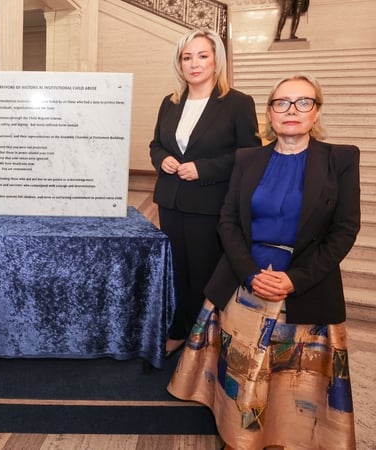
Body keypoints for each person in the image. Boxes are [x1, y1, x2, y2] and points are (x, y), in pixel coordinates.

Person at [168, 74, 359, 449]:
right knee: (240, 371)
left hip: (305, 285)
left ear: (316, 110)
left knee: (291, 380)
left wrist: (295, 280)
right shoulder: (248, 158)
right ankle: (237, 435)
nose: (291, 110)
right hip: (245, 280)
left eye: (303, 102)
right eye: (282, 103)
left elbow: (345, 229)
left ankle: (285, 436)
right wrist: (251, 273)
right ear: (269, 114)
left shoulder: (341, 159)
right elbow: (228, 221)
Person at [149, 29, 261, 359]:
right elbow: (156, 145)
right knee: (178, 271)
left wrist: (204, 168)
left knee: (204, 274)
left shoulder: (237, 103)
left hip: (209, 204)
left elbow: (250, 154)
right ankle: (181, 329)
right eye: (187, 57)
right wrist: (162, 160)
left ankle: (203, 340)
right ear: (179, 63)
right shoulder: (170, 103)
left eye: (202, 55)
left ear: (216, 61)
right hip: (171, 201)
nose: (194, 63)